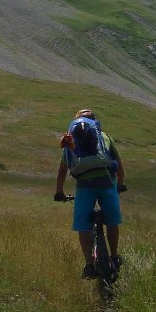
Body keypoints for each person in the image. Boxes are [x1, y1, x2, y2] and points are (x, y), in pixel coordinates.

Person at [54, 108, 127, 279]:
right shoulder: (105, 137)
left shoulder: (71, 140)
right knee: (112, 221)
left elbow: (63, 170)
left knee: (83, 225)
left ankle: (89, 266)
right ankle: (114, 257)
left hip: (85, 186)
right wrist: (121, 183)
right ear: (95, 123)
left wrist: (59, 191)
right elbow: (118, 163)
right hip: (107, 183)